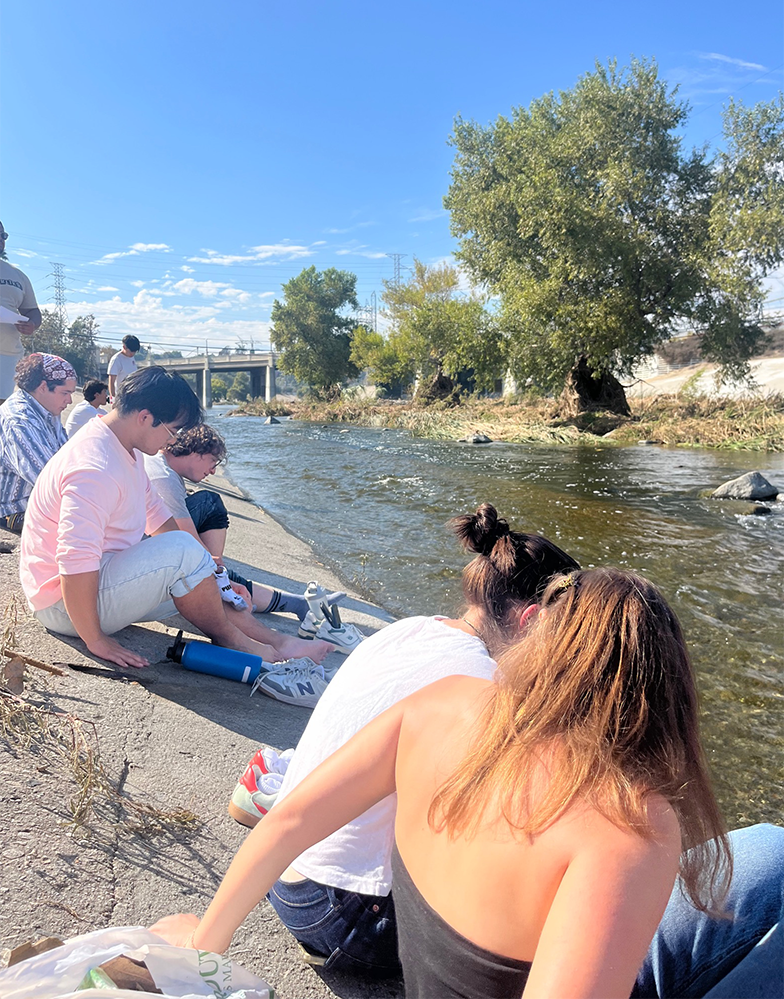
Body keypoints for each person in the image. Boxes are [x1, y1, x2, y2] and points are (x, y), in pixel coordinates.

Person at [152, 566, 749, 999]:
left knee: (767, 856)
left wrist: (206, 942)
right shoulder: (633, 823)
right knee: (768, 872)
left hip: (414, 960)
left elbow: (287, 821)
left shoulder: (445, 703)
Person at [232, 504, 580, 971]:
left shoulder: (410, 629)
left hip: (283, 874)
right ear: (533, 618)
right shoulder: (481, 683)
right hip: (342, 916)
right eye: (564, 631)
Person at [19, 366, 331, 670]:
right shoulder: (93, 467)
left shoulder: (122, 446)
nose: (173, 441)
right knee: (185, 554)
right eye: (173, 430)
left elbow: (157, 517)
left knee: (200, 574)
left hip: (99, 578)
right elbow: (74, 561)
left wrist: (215, 577)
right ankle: (245, 646)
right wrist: (96, 639)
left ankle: (280, 643)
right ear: (145, 417)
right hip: (64, 604)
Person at [143, 423, 345, 617]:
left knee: (211, 553)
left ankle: (290, 602)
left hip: (150, 545)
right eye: (214, 461)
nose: (213, 470)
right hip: (146, 559)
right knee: (209, 506)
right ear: (197, 453)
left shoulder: (162, 467)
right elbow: (187, 540)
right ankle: (221, 591)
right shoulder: (164, 479)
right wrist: (216, 570)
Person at [0, 353, 75, 534]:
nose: (70, 400)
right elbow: (51, 480)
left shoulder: (47, 411)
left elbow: (71, 459)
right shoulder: (19, 420)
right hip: (15, 513)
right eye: (65, 393)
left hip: (38, 505)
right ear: (43, 387)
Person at [0, 222, 42, 401]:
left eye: (3, 235)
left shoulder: (18, 275)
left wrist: (31, 324)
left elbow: (33, 311)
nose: (1, 239)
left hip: (7, 356)